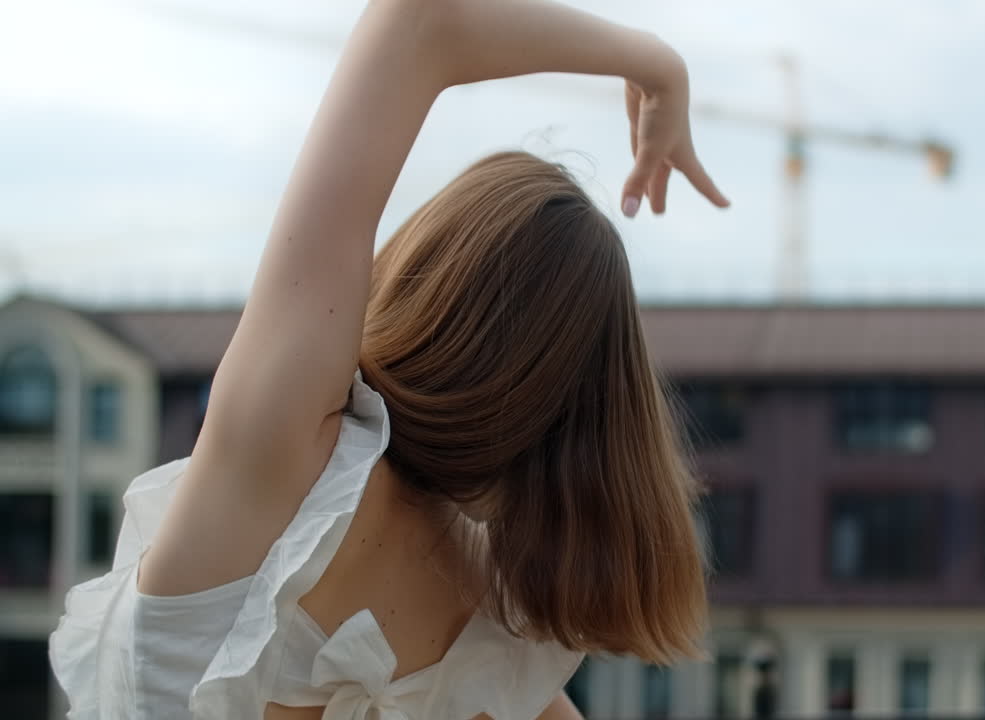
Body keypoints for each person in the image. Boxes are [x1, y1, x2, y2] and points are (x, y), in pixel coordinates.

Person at [50, 0, 729, 717]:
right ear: (579, 400)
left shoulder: (290, 463)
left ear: (417, 281)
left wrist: (654, 63)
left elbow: (416, 22)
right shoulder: (503, 657)